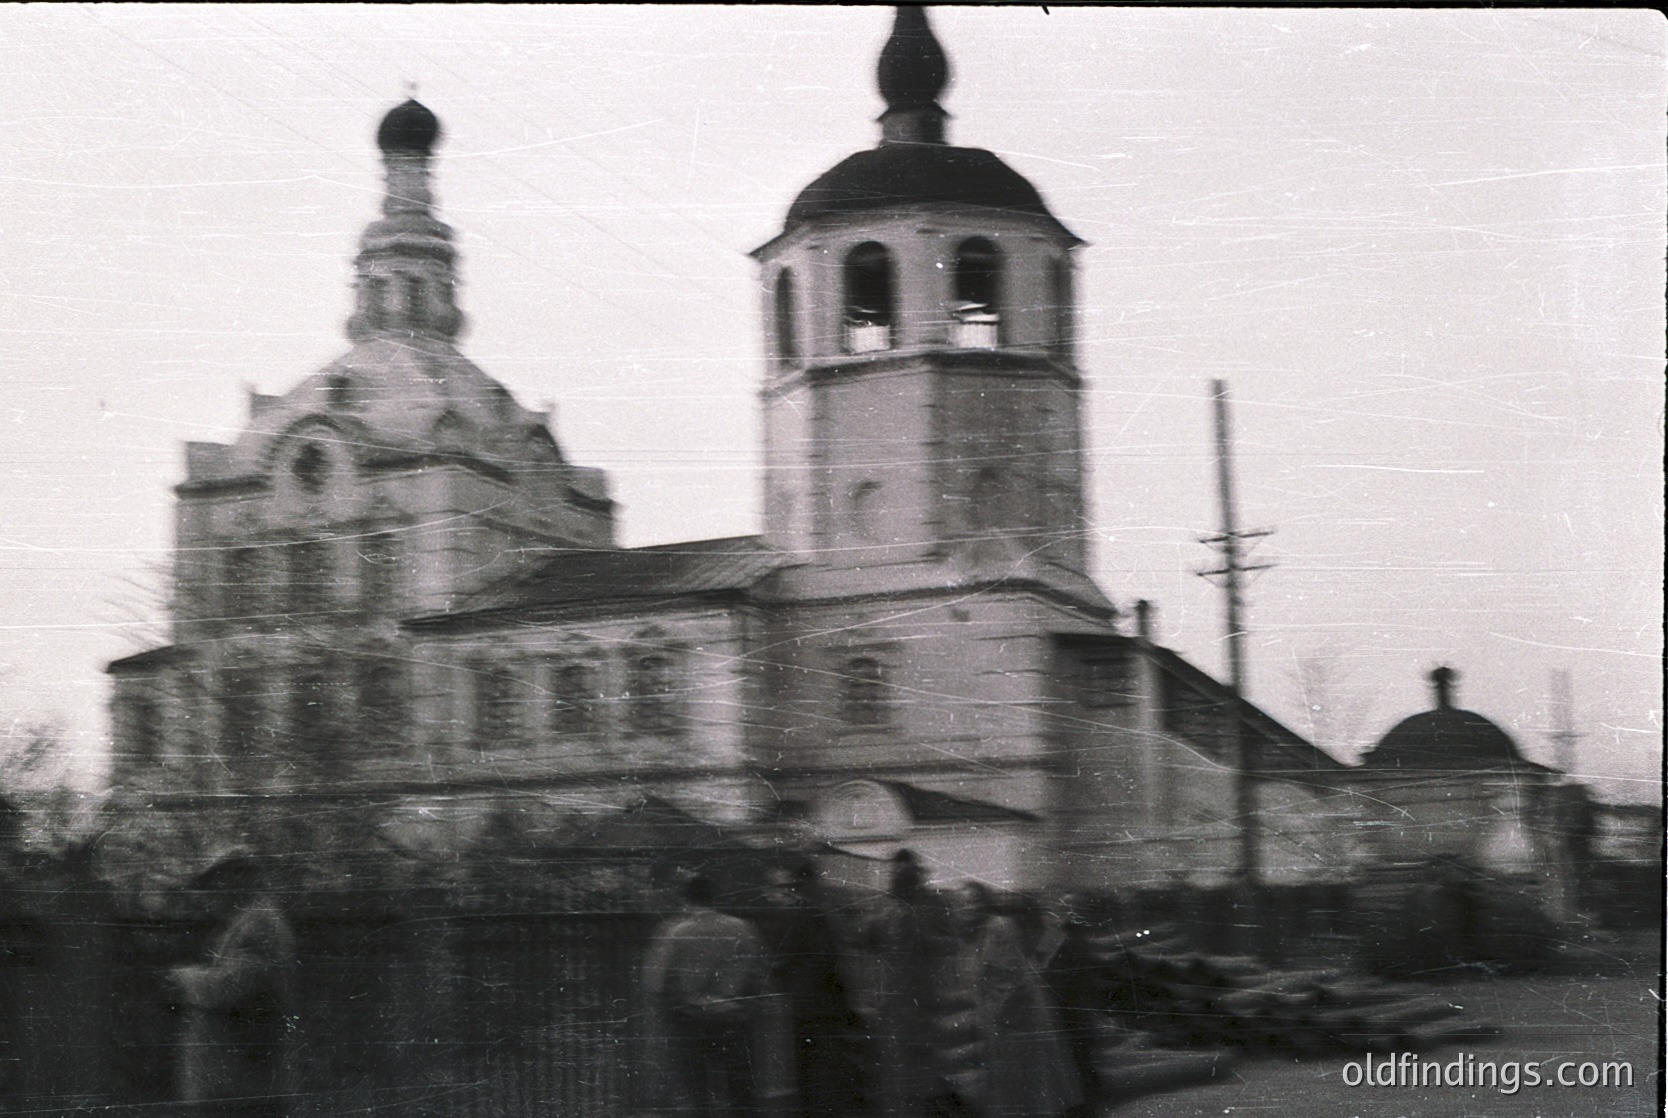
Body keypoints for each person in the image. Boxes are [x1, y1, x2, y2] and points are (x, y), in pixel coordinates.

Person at [167, 847, 297, 1118]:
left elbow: (232, 988)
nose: (211, 893)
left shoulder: (259, 922)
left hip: (241, 1080)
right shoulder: (246, 921)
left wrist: (185, 977)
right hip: (236, 1079)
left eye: (217, 881)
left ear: (240, 878)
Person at [644, 872, 771, 1118]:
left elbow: (656, 983)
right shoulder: (742, 928)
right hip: (734, 1018)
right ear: (716, 896)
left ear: (684, 897)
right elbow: (758, 974)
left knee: (696, 1094)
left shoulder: (674, 932)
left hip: (690, 1021)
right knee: (741, 1092)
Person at [956, 882, 1083, 1118]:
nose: (967, 908)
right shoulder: (975, 935)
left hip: (1019, 1018)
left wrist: (997, 1016)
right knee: (1010, 1086)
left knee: (1026, 1086)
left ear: (985, 904)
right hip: (1000, 1020)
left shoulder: (998, 928)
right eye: (963, 903)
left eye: (973, 901)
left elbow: (1012, 979)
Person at [765, 860, 869, 1118]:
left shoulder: (797, 913)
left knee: (811, 1070)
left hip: (809, 1005)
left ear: (799, 883)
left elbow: (782, 960)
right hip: (827, 1003)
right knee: (826, 1070)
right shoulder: (822, 912)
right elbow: (835, 958)